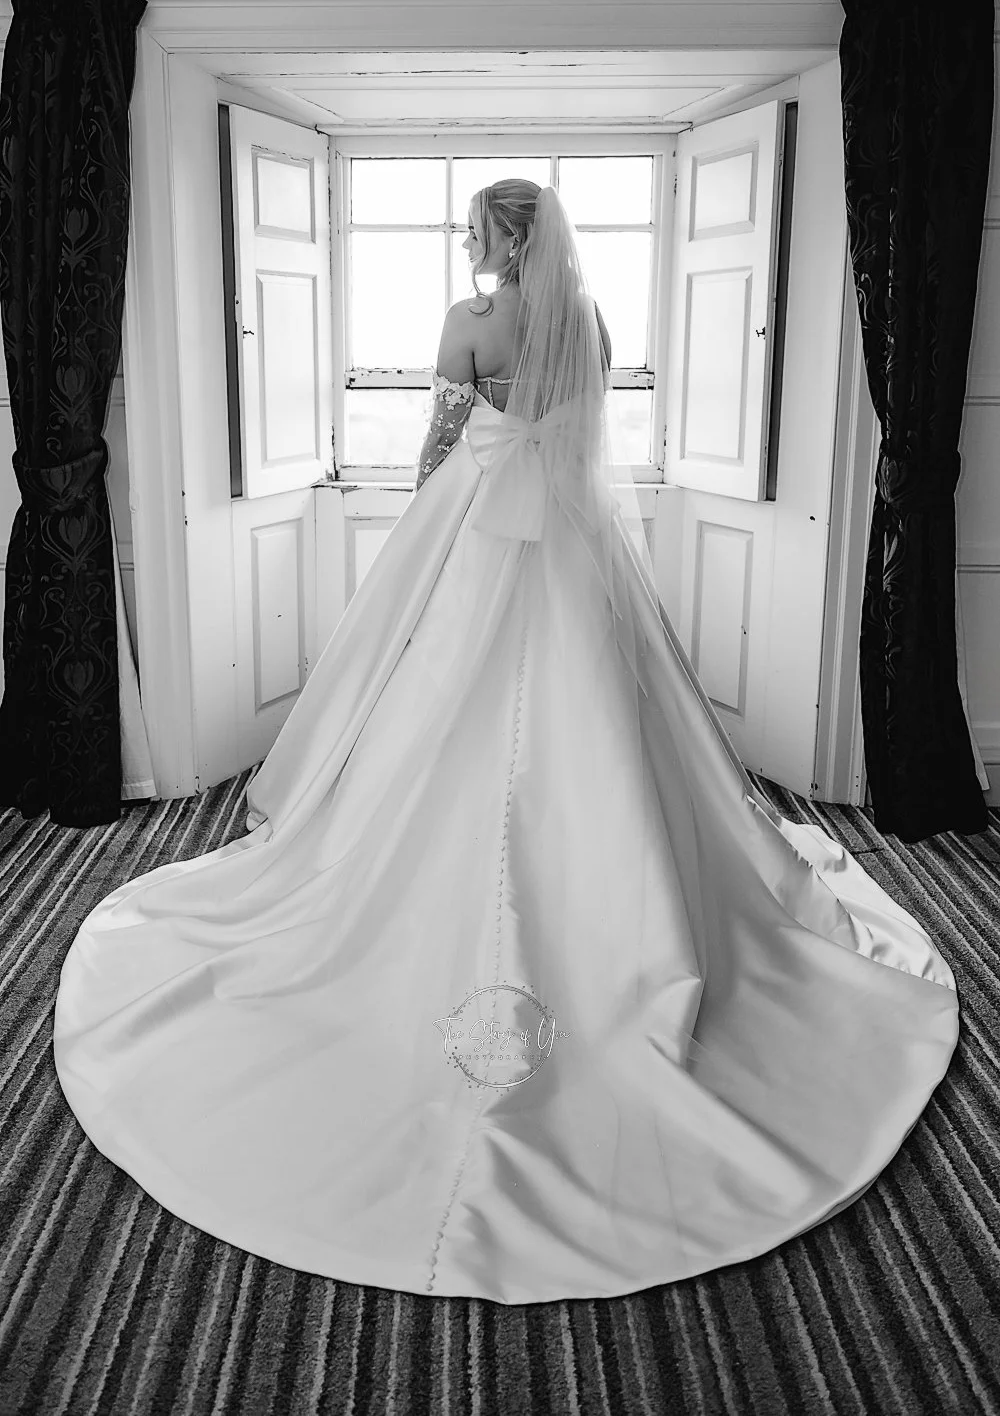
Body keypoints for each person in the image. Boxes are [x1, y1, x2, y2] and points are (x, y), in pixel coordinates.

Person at [52, 179, 959, 1307]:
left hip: (479, 537)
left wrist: (423, 538)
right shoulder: (589, 323)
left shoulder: (469, 323)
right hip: (573, 548)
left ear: (509, 236)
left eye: (477, 227)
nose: (465, 239)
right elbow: (585, 441)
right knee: (603, 728)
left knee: (437, 708)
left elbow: (441, 447)